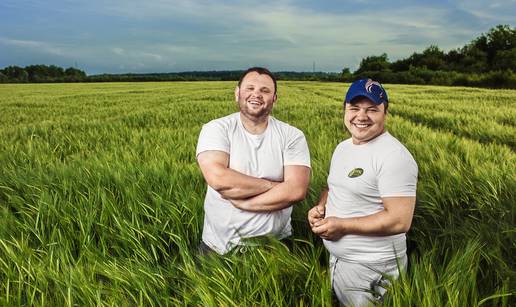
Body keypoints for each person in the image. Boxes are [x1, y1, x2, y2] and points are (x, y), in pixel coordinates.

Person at [308, 79, 418, 306]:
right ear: (345, 109)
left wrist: (342, 225)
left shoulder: (393, 156)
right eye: (355, 108)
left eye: (372, 110)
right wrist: (321, 208)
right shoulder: (343, 148)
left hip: (373, 267)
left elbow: (400, 221)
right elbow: (332, 187)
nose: (361, 116)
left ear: (385, 113)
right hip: (340, 262)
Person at [196, 67, 311, 255]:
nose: (256, 94)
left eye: (265, 90)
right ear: (237, 93)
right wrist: (276, 186)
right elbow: (218, 179)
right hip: (218, 249)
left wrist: (245, 203)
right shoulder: (216, 129)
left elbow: (296, 190)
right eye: (250, 88)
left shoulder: (292, 136)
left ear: (274, 98)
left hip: (276, 247)